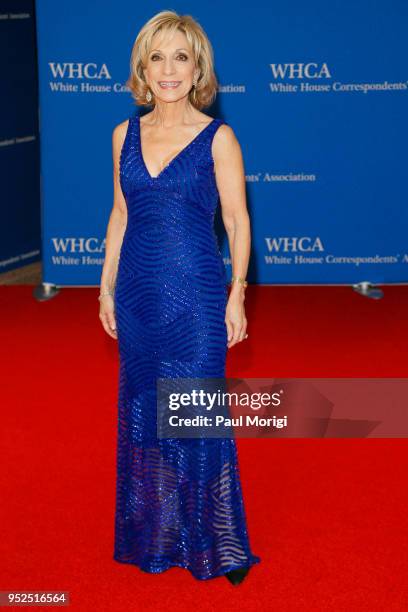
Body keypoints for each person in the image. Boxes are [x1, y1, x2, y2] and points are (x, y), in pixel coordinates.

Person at [99, 10, 261, 585]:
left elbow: (239, 221)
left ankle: (220, 541)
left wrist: (237, 293)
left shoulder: (219, 138)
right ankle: (157, 531)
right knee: (145, 410)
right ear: (143, 67)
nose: (168, 70)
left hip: (195, 297)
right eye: (157, 57)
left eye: (181, 58)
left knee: (196, 414)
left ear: (197, 71)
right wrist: (105, 286)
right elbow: (120, 215)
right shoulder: (124, 135)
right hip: (139, 295)